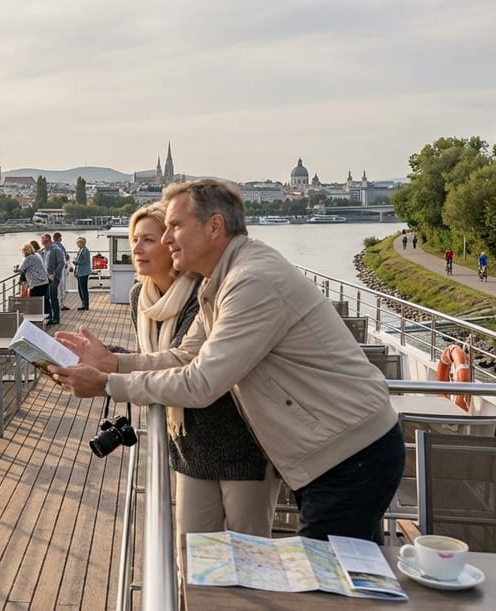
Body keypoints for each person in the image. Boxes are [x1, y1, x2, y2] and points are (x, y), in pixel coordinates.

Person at [49, 179, 404, 543]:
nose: (168, 238)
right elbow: (185, 355)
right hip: (330, 449)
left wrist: (107, 385)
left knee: (333, 587)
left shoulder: (251, 282)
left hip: (349, 452)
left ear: (214, 226)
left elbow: (201, 382)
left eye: (175, 226)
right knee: (339, 579)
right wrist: (113, 363)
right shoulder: (220, 280)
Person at [126, 202, 279, 563]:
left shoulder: (206, 293)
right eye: (135, 239)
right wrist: (102, 357)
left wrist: (108, 376)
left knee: (250, 558)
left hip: (242, 443)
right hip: (188, 444)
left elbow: (189, 366)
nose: (137, 248)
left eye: (148, 239)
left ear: (172, 241)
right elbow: (154, 360)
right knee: (194, 560)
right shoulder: (140, 298)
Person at [40, 233, 62, 326]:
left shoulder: (56, 249)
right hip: (44, 278)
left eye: (46, 241)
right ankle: (49, 316)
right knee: (45, 298)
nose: (44, 243)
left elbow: (61, 263)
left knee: (53, 297)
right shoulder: (42, 251)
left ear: (50, 240)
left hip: (53, 278)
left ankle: (56, 318)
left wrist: (54, 274)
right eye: (42, 241)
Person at [52, 232, 70, 312]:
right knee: (61, 286)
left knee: (57, 288)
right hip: (60, 270)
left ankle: (58, 304)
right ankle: (61, 304)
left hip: (55, 270)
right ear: (59, 238)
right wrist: (65, 262)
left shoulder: (52, 247)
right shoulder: (60, 247)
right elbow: (63, 258)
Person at [72, 236, 92, 310]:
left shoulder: (85, 251)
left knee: (83, 289)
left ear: (82, 243)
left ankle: (85, 304)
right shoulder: (81, 250)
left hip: (83, 272)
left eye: (78, 243)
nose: (77, 244)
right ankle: (83, 303)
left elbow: (85, 261)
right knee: (80, 289)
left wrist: (77, 262)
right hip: (80, 272)